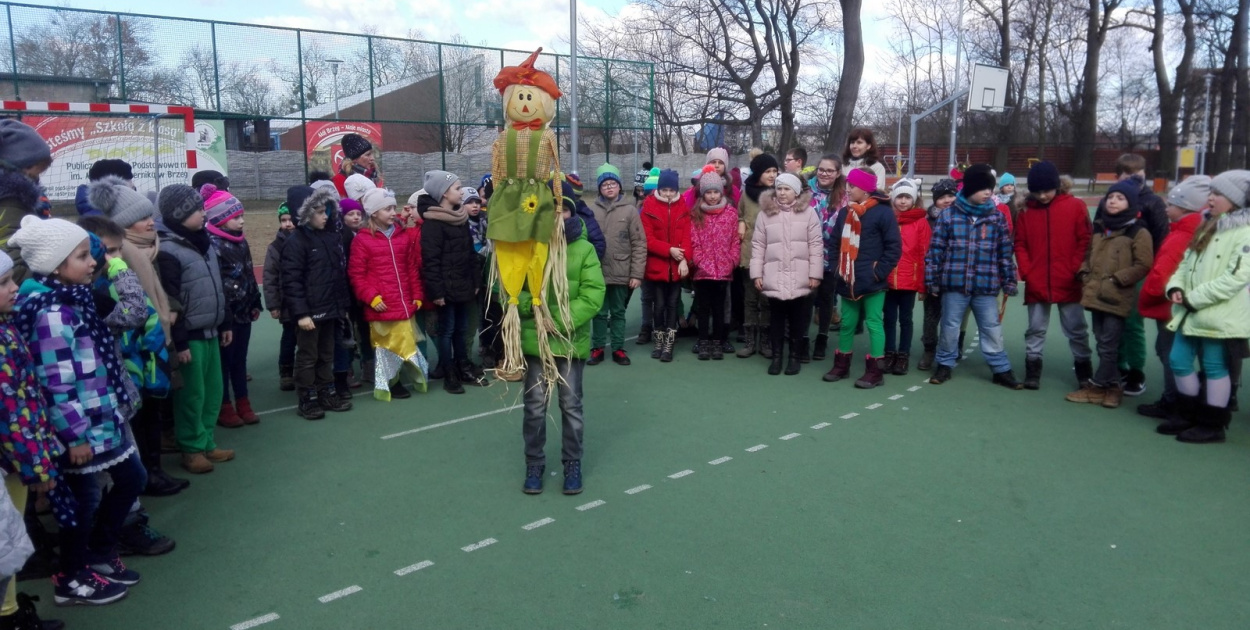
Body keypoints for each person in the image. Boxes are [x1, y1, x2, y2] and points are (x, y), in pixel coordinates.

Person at [9, 217, 141, 605]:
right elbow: (56, 384)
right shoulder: (51, 314)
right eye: (82, 256)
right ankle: (71, 576)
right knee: (83, 502)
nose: (93, 262)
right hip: (81, 430)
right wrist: (75, 435)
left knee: (132, 478)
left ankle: (98, 553)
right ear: (55, 265)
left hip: (102, 418)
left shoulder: (73, 300)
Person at [88, 175, 186, 496]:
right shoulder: (123, 256)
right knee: (142, 416)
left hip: (149, 344)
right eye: (143, 217)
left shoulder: (146, 249)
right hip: (137, 351)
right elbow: (136, 307)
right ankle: (146, 475)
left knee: (151, 413)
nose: (151, 222)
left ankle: (152, 471)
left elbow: (156, 293)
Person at [519, 191, 605, 495]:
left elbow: (593, 295)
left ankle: (572, 463)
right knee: (534, 407)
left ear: (571, 214)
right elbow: (509, 290)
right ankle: (534, 464)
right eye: (551, 212)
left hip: (569, 342)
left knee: (570, 406)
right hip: (536, 342)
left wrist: (558, 321)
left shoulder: (584, 250)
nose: (557, 217)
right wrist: (532, 308)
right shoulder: (528, 248)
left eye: (562, 211)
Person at [0, 249, 66, 628]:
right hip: (11, 462)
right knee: (6, 539)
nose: (14, 288)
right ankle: (9, 616)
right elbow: (13, 413)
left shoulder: (6, 326)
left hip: (15, 458)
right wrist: (38, 466)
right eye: (4, 283)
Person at [1158, 170, 1250, 442]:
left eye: (1218, 194)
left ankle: (1212, 424)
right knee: (1178, 359)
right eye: (1211, 192)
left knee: (1214, 366)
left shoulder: (1244, 233)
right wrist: (1176, 287)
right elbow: (1187, 263)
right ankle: (1187, 413)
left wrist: (1194, 298)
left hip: (1218, 314)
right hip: (1191, 310)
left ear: (1236, 200)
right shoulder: (1208, 225)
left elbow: (1237, 277)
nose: (1210, 198)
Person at [155, 184, 236, 474]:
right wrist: (180, 343)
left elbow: (218, 286)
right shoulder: (168, 250)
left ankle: (207, 441)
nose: (204, 213)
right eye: (198, 209)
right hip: (190, 336)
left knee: (213, 391)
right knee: (192, 395)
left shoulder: (205, 242)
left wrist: (225, 321)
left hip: (212, 329)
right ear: (180, 214)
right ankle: (191, 448)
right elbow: (171, 301)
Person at [926, 164, 1023, 389]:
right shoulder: (949, 216)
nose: (988, 192)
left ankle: (1000, 369)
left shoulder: (996, 218)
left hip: (985, 285)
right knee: (950, 325)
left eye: (990, 188)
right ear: (970, 189)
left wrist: (1009, 279)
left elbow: (1004, 253)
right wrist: (932, 279)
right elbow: (936, 250)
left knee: (991, 327)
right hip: (955, 284)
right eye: (982, 188)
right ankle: (944, 364)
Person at [1065, 179, 1154, 408]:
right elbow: (1088, 255)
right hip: (1096, 294)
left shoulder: (1138, 231)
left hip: (1118, 296)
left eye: (1120, 198)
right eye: (1110, 197)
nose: (1113, 201)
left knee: (1108, 343)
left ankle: (1096, 387)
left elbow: (1144, 264)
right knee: (1101, 340)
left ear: (1131, 203)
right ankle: (1113, 387)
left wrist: (1118, 279)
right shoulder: (1100, 228)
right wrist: (1085, 273)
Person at [1014, 160, 1094, 390]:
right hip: (1037, 280)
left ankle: (1084, 371)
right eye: (1037, 192)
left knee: (1076, 329)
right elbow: (1020, 243)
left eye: (1047, 190)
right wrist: (1027, 270)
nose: (1042, 196)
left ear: (1057, 186)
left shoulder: (1075, 207)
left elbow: (1085, 240)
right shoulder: (1025, 212)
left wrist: (1075, 267)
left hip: (1069, 279)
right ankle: (1033, 370)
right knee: (1035, 328)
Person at [1137, 176, 1210, 425]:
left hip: (1170, 305)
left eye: (1171, 204)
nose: (1166, 208)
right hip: (1181, 304)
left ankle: (1174, 400)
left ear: (1185, 207)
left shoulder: (1180, 236)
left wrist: (1148, 294)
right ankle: (1182, 399)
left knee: (1170, 354)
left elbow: (1162, 273)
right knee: (1176, 353)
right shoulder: (1194, 231)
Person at [822, 168, 901, 387]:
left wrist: (878, 272)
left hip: (873, 281)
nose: (847, 189)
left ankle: (875, 371)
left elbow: (894, 247)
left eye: (852, 186)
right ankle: (842, 365)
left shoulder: (883, 213)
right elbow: (834, 243)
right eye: (848, 185)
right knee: (847, 323)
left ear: (865, 190)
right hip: (848, 278)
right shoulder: (845, 212)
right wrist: (838, 268)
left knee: (874, 323)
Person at [280, 185, 354, 419]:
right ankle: (307, 396)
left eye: (327, 211)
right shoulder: (296, 242)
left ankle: (326, 390)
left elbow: (337, 275)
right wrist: (301, 314)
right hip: (310, 313)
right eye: (320, 212)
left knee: (326, 354)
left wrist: (341, 306)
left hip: (330, 309)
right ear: (305, 214)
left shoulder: (330, 237)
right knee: (307, 356)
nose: (325, 216)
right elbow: (291, 281)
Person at [348, 187, 428, 401]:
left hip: (403, 302)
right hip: (382, 304)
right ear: (374, 213)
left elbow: (411, 268)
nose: (394, 212)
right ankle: (392, 382)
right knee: (387, 346)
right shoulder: (362, 240)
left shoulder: (402, 236)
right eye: (387, 209)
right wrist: (371, 297)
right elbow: (357, 274)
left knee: (406, 342)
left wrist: (417, 294)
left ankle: (408, 375)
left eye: (394, 207)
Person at [202, 185, 263, 428]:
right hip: (226, 315)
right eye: (236, 217)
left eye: (241, 216)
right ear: (219, 219)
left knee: (240, 360)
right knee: (224, 362)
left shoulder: (241, 242)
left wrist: (255, 301)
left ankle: (243, 401)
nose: (241, 221)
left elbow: (248, 272)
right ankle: (224, 405)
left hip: (244, 312)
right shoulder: (211, 245)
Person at [750, 173, 820, 375]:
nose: (782, 193)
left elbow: (816, 245)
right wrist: (757, 273)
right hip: (775, 274)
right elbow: (758, 245)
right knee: (776, 319)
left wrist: (815, 274)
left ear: (796, 192)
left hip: (800, 275)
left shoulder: (809, 213)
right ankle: (777, 357)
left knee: (798, 318)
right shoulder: (765, 214)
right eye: (779, 188)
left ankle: (794, 357)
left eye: (787, 189)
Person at [419, 170, 481, 393]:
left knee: (461, 328)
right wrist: (437, 292)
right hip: (445, 289)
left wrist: (475, 281)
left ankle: (463, 366)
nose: (461, 192)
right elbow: (431, 261)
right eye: (457, 188)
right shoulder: (433, 224)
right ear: (444, 193)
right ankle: (449, 372)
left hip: (463, 285)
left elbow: (469, 253)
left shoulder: (460, 219)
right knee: (447, 330)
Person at [1114, 154, 1169, 397]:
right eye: (1129, 175)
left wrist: (1148, 270)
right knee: (1112, 321)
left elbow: (1162, 239)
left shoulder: (1152, 202)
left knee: (1133, 323)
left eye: (1139, 175)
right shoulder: (1111, 200)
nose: (1135, 179)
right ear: (1118, 177)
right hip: (1113, 272)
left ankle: (1136, 372)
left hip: (1140, 273)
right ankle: (1116, 366)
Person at [589, 163, 646, 366]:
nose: (609, 187)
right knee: (598, 312)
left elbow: (639, 243)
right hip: (597, 271)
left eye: (613, 184)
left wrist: (636, 274)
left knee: (618, 312)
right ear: (600, 189)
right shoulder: (592, 211)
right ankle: (597, 347)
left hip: (621, 271)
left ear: (619, 186)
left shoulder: (630, 211)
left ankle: (618, 349)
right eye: (605, 185)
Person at [641, 169, 691, 363]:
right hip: (657, 266)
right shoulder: (649, 206)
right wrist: (669, 250)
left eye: (671, 190)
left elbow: (687, 236)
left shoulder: (683, 206)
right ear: (659, 189)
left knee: (673, 304)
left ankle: (669, 342)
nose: (668, 194)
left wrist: (685, 259)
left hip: (677, 267)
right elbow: (647, 239)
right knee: (659, 304)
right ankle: (659, 340)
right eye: (664, 190)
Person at [690, 168, 740, 361]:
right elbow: (694, 241)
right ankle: (703, 340)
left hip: (723, 270)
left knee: (719, 308)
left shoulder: (731, 214)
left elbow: (735, 241)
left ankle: (718, 341)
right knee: (703, 308)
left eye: (715, 192)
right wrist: (700, 261)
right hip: (703, 271)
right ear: (703, 194)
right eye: (708, 192)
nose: (712, 196)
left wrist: (732, 260)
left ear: (721, 192)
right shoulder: (696, 214)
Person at [882, 178, 930, 375]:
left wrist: (922, 285)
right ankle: (889, 353)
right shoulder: (887, 219)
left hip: (909, 280)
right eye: (899, 197)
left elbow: (924, 254)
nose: (903, 201)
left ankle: (903, 355)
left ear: (914, 199)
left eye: (907, 197)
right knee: (888, 318)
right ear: (893, 198)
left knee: (906, 319)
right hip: (887, 279)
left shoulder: (920, 222)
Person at [0, 120, 54, 285]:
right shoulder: (11, 203)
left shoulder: (19, 200)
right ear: (22, 166)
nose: (39, 176)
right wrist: (53, 282)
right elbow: (13, 265)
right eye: (38, 168)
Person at [736, 153, 778, 359]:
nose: (772, 175)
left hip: (771, 255)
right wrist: (741, 223)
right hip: (749, 253)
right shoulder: (746, 194)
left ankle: (766, 341)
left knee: (767, 300)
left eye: (775, 171)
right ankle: (750, 341)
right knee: (750, 299)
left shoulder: (778, 193)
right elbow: (740, 214)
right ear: (758, 173)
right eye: (767, 171)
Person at [918, 178, 958, 371]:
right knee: (931, 316)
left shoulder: (962, 219)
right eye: (942, 197)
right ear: (935, 200)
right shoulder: (928, 221)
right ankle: (929, 349)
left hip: (954, 275)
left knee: (952, 317)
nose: (947, 200)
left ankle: (950, 349)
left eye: (951, 196)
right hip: (933, 274)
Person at [809, 154, 847, 361]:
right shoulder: (806, 191)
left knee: (826, 298)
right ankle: (802, 337)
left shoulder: (844, 196)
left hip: (832, 255)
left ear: (838, 173)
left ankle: (822, 338)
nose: (824, 174)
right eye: (821, 169)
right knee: (806, 297)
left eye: (829, 170)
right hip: (806, 254)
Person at [265, 202, 298, 391]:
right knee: (289, 338)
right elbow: (269, 276)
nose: (287, 224)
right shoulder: (275, 247)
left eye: (290, 219)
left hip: (306, 301)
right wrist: (274, 305)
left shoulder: (305, 241)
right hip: (287, 303)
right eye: (283, 220)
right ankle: (286, 372)